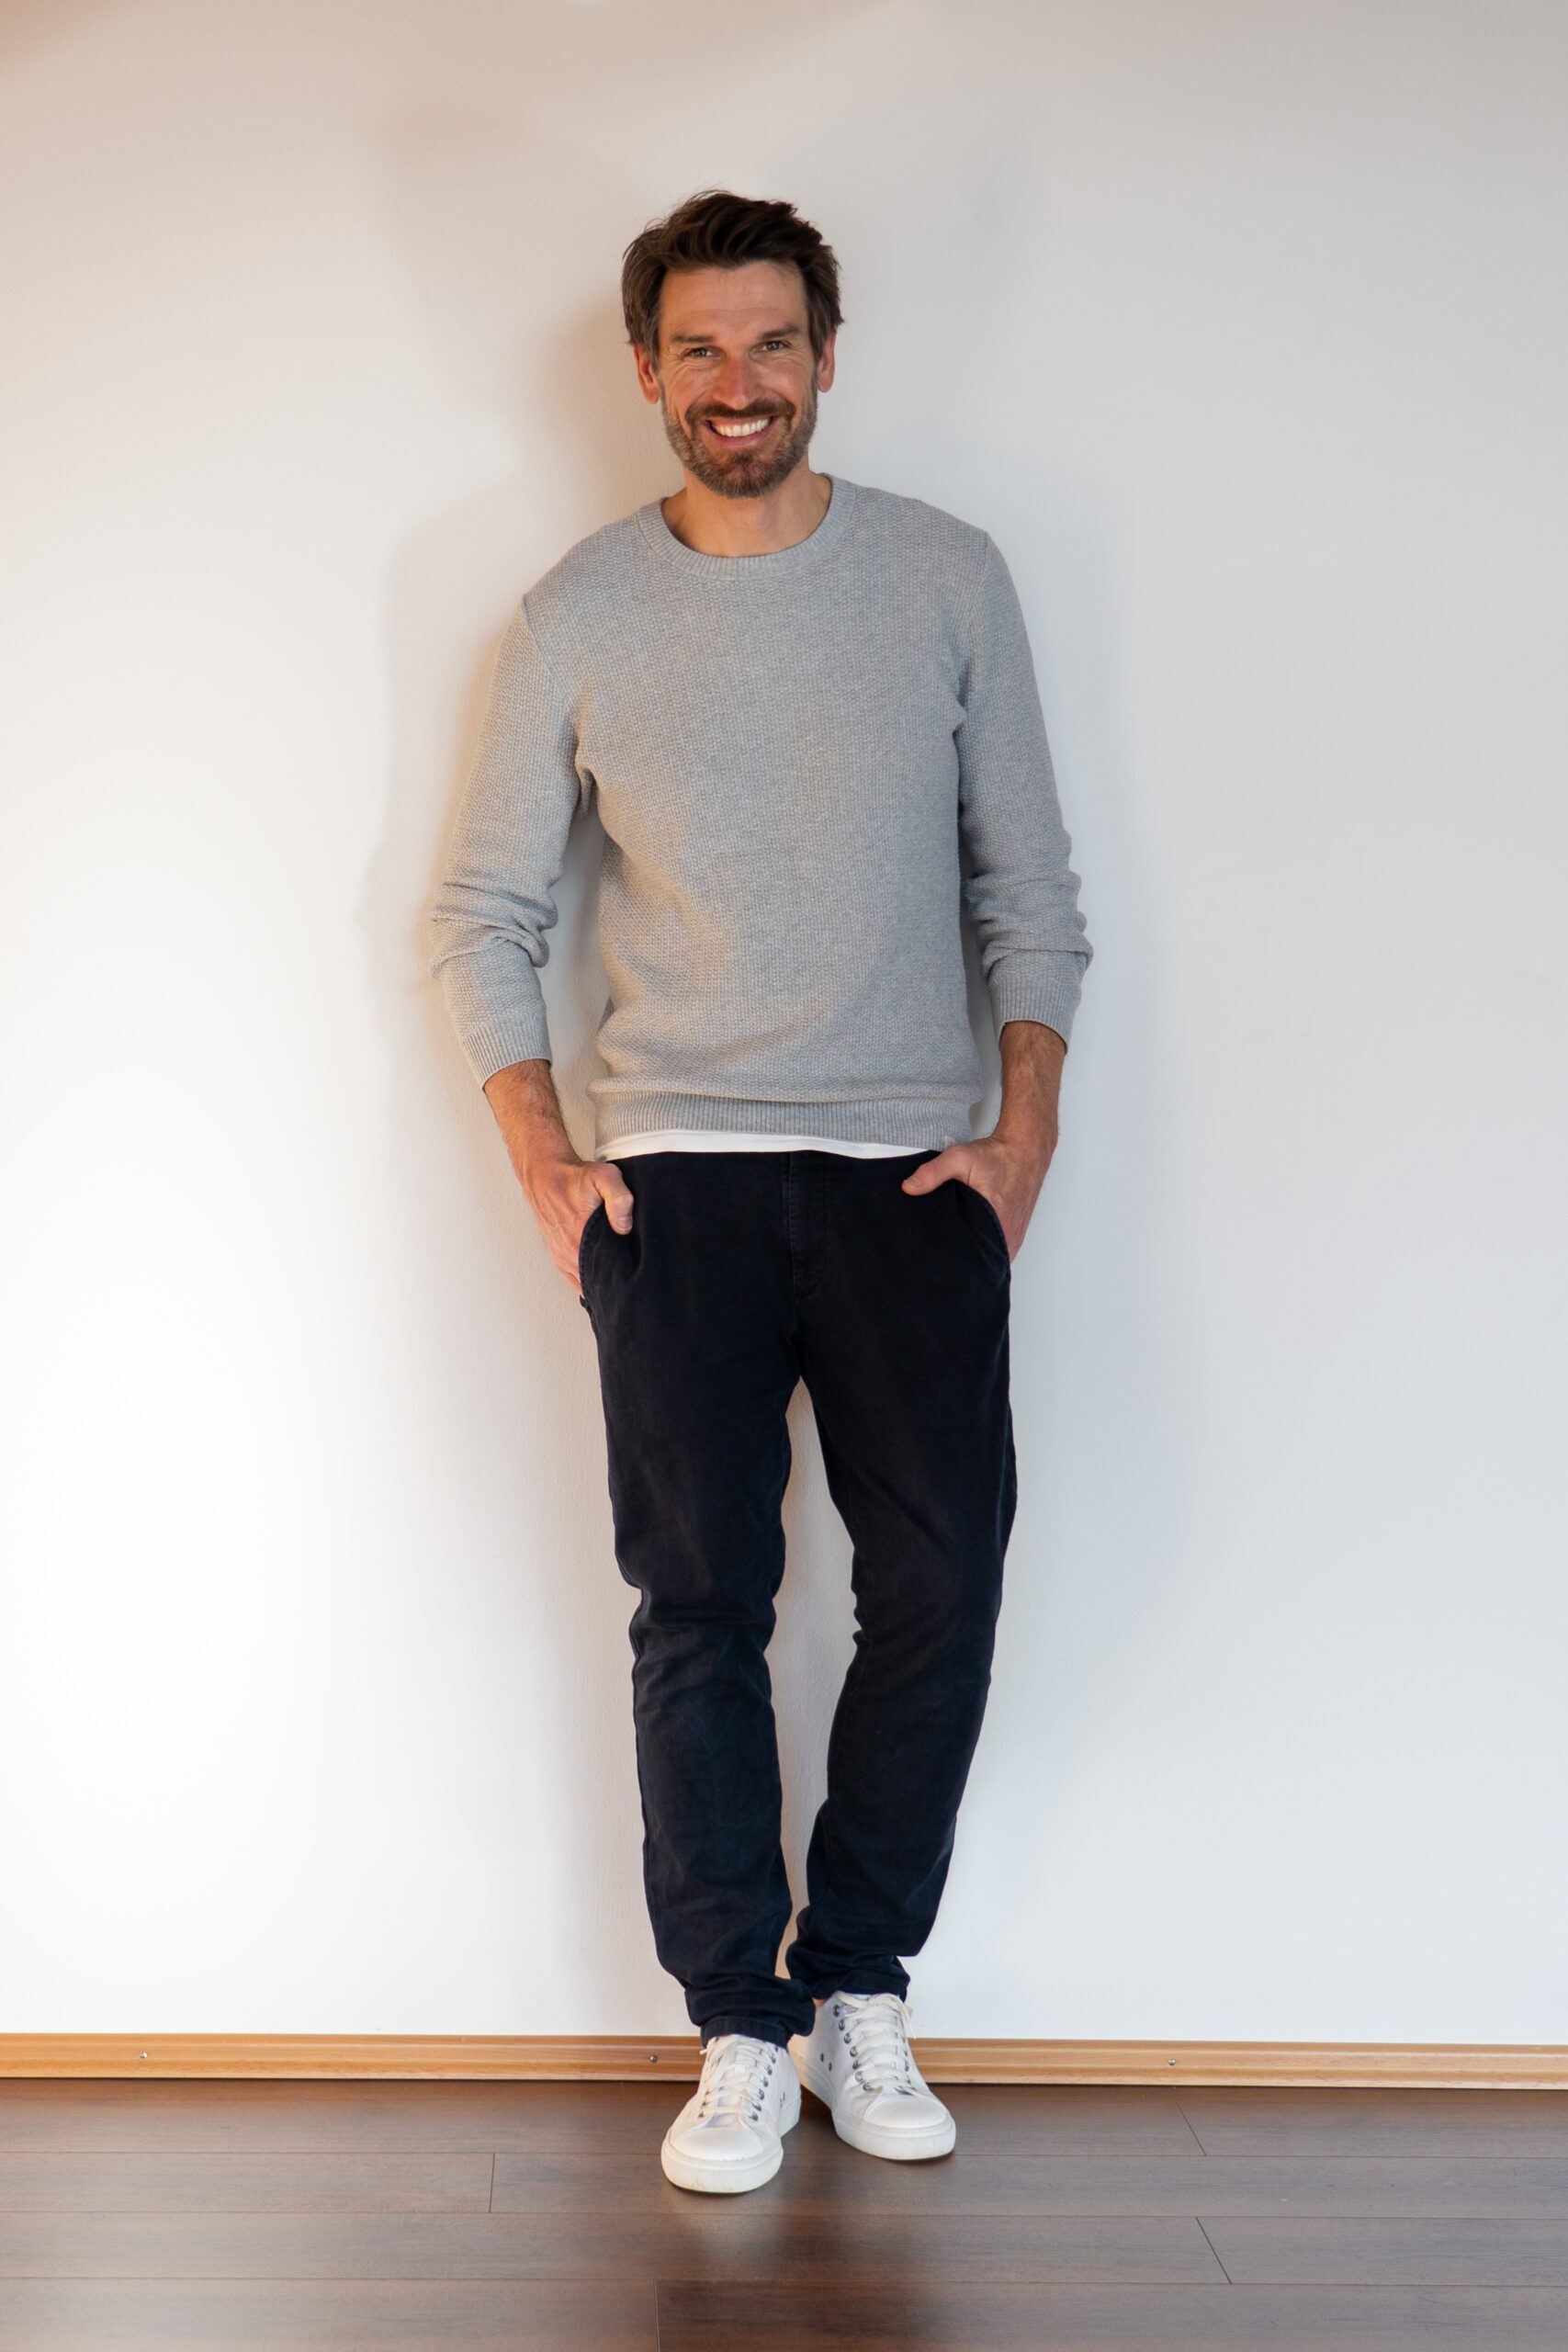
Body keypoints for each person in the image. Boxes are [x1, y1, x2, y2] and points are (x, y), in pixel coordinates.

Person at [426, 187, 1092, 2196]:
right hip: (677, 1188)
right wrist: (544, 1154)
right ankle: (739, 2020)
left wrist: (1022, 1136)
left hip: (909, 1175)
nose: (739, 382)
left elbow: (1028, 886)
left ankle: (859, 1977)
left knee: (942, 1584)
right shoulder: (577, 612)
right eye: (701, 348)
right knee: (697, 1606)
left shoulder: (945, 578)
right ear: (647, 369)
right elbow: (480, 908)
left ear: (823, 356)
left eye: (772, 342)